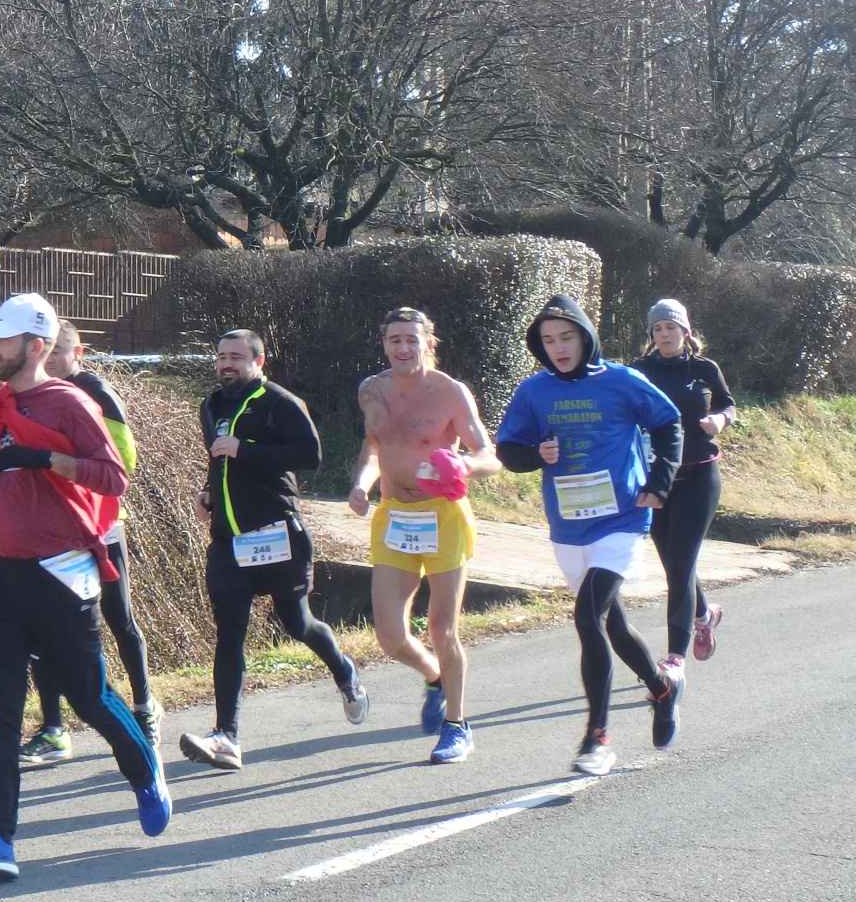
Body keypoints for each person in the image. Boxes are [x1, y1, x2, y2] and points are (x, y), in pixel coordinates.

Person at [0, 293, 169, 881]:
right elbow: (15, 474)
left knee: (89, 697)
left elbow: (113, 477)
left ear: (36, 346)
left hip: (61, 575)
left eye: (1, 337)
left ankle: (144, 769)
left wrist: (45, 458)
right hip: (4, 575)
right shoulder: (1, 405)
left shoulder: (69, 403)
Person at [495, 295, 685, 776]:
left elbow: (669, 424)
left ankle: (597, 737)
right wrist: (536, 454)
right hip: (569, 524)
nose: (559, 348)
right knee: (611, 625)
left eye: (567, 337)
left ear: (585, 337)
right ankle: (662, 687)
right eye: (548, 341)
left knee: (586, 617)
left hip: (622, 518)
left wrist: (660, 481)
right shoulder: (534, 391)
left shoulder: (622, 381)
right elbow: (508, 449)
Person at [180, 330, 371, 773]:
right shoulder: (212, 405)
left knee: (297, 623)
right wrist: (209, 492)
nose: (227, 365)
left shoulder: (280, 402)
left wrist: (244, 449)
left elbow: (309, 455)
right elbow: (219, 460)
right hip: (228, 541)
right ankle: (226, 737)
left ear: (259, 361)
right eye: (221, 357)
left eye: (236, 357)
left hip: (276, 535)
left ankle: (345, 673)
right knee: (230, 635)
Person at [345, 308, 502, 765]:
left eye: (412, 339)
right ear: (384, 344)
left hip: (443, 517)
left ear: (428, 343)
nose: (403, 347)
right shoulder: (371, 391)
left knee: (441, 628)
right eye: (394, 339)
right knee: (389, 636)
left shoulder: (450, 392)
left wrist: (464, 464)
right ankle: (434, 677)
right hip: (395, 516)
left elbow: (489, 455)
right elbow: (373, 447)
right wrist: (362, 484)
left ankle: (457, 726)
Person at [20, 321, 161, 765]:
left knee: (119, 618)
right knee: (42, 629)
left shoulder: (96, 393)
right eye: (47, 352)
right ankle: (53, 730)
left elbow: (124, 461)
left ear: (78, 353)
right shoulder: (33, 395)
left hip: (101, 526)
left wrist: (64, 467)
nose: (52, 361)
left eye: (60, 352)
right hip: (51, 530)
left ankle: (144, 707)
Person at [631, 298, 735, 665]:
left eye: (670, 327)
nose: (664, 334)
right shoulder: (639, 371)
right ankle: (705, 617)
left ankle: (675, 659)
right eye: (657, 329)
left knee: (680, 565)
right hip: (657, 480)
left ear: (685, 331)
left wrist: (720, 420)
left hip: (699, 475)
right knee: (676, 565)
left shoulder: (705, 368)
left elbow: (728, 404)